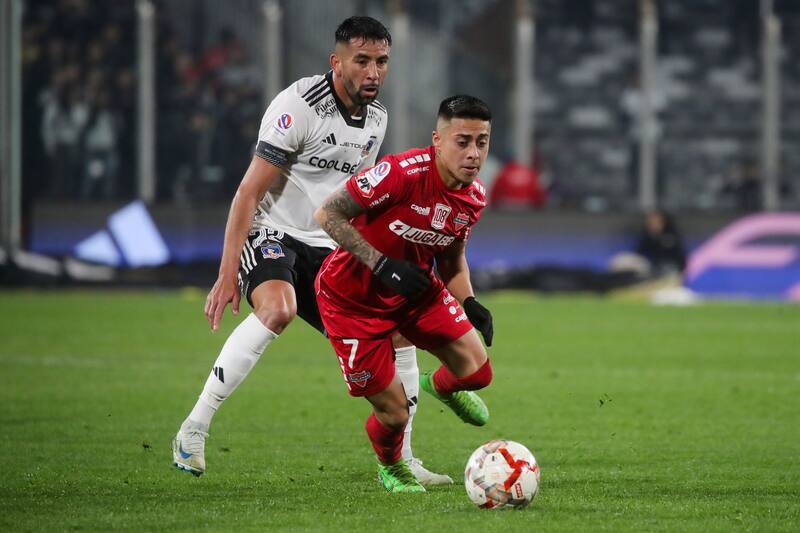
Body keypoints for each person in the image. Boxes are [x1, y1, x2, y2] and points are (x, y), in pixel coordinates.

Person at [172, 16, 452, 485]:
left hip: (328, 248)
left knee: (400, 333)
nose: (373, 72)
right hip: (272, 233)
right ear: (336, 62)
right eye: (362, 61)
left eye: (382, 61)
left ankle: (404, 460)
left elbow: (354, 201)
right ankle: (193, 429)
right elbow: (248, 192)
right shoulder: (299, 105)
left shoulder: (377, 119)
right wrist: (226, 273)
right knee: (278, 309)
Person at [314, 95, 495, 493]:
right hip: (351, 302)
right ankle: (393, 467)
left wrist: (469, 302)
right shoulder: (401, 173)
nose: (473, 153)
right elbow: (328, 214)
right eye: (463, 141)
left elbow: (451, 260)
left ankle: (439, 386)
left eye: (482, 142)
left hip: (415, 293)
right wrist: (380, 264)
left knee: (478, 372)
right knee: (394, 414)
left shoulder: (474, 197)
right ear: (437, 141)